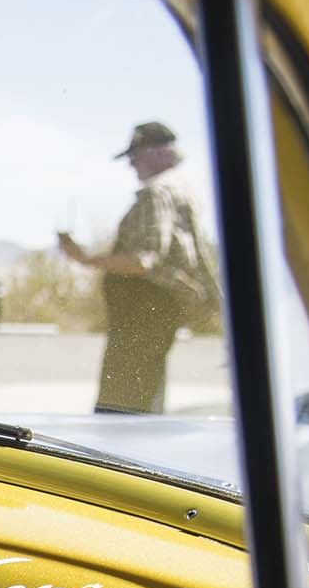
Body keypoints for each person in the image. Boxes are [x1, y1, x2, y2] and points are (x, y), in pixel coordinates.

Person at [58, 121, 215, 414]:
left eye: (136, 155)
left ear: (160, 153)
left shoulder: (156, 193)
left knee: (121, 405)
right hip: (158, 310)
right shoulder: (182, 190)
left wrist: (87, 260)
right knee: (145, 397)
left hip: (142, 309)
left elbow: (145, 259)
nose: (132, 164)